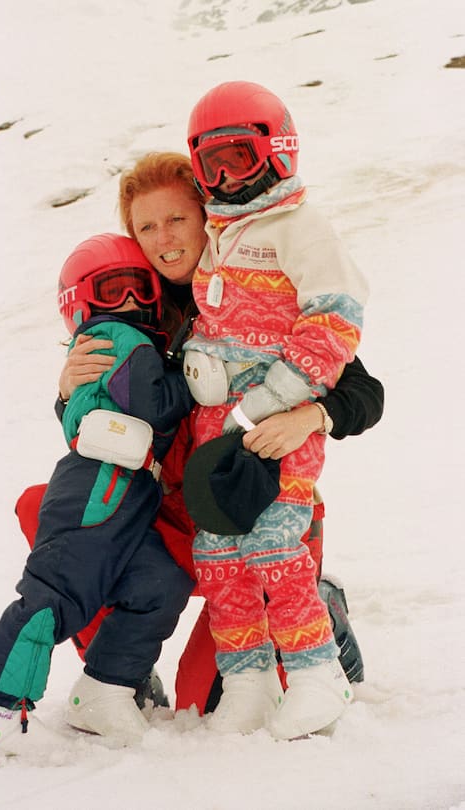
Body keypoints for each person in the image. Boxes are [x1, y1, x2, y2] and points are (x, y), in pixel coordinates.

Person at [53, 150, 383, 722]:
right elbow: (101, 436)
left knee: (204, 698)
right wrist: (66, 394)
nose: (164, 238)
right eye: (146, 227)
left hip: (263, 505)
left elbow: (363, 387)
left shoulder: (258, 292)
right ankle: (119, 670)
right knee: (52, 513)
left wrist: (310, 415)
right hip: (184, 517)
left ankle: (323, 616)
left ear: (208, 215)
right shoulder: (136, 310)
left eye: (177, 219)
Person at [180, 79, 369, 739]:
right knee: (219, 552)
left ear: (278, 150)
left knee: (270, 540)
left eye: (241, 156)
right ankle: (248, 683)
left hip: (279, 419)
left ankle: (318, 675)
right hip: (219, 418)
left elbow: (334, 325)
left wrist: (274, 402)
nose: (228, 176)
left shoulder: (301, 226)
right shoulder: (218, 231)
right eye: (213, 164)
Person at [0, 233, 195, 765]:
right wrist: (195, 379)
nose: (129, 303)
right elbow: (153, 403)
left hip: (125, 494)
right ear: (81, 301)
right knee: (56, 595)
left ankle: (104, 689)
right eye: (112, 290)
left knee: (160, 584)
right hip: (98, 489)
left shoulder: (121, 341)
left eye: (139, 288)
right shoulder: (118, 337)